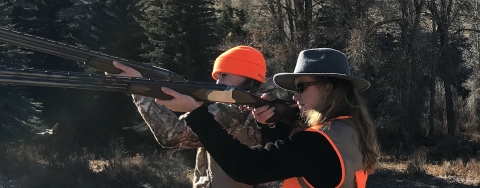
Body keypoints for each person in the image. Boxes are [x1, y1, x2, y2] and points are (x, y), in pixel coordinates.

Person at [155, 48, 381, 188]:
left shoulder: (318, 143)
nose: (295, 95)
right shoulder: (350, 131)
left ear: (328, 88)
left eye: (302, 87)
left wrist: (196, 114)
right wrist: (272, 124)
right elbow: (296, 161)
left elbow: (247, 168)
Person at [107, 45, 283, 188]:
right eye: (216, 76)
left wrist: (140, 89)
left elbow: (171, 135)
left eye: (224, 75)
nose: (217, 82)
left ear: (247, 76)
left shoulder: (235, 110)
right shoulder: (270, 107)